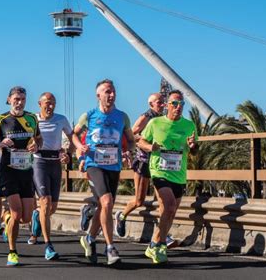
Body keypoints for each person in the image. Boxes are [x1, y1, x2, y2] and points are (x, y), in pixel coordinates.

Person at [73, 79, 135, 265]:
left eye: (113, 91)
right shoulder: (89, 115)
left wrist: (128, 151)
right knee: (107, 202)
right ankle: (110, 248)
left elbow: (131, 140)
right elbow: (73, 133)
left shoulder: (122, 117)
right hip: (94, 164)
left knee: (104, 207)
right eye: (107, 91)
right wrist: (80, 149)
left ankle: (89, 238)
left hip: (114, 166)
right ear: (98, 95)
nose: (111, 95)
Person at [138, 90, 198, 264]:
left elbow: (194, 152)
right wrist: (150, 148)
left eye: (181, 104)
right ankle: (161, 244)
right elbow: (141, 141)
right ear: (166, 105)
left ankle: (153, 243)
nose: (178, 107)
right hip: (159, 171)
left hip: (178, 175)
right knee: (169, 205)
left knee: (170, 212)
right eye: (174, 104)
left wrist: (192, 146)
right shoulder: (155, 123)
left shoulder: (189, 126)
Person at [0, 86, 42, 266]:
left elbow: (39, 139)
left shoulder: (32, 118)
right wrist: (0, 144)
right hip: (8, 170)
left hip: (26, 170)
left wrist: (36, 146)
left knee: (25, 217)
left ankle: (7, 218)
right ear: (9, 99)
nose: (19, 102)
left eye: (23, 99)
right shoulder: (0, 119)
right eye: (16, 99)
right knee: (17, 213)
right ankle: (12, 252)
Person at [27, 92, 73, 260]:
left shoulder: (61, 119)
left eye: (53, 103)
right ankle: (48, 246)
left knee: (51, 208)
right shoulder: (32, 120)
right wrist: (30, 146)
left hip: (55, 164)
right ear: (40, 103)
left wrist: (69, 154)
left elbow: (71, 137)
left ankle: (37, 216)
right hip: (39, 163)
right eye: (47, 103)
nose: (50, 106)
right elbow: (25, 140)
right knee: (45, 202)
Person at [114, 93, 166, 238]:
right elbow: (132, 135)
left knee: (162, 198)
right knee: (139, 200)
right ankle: (122, 216)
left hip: (158, 163)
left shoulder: (163, 119)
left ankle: (163, 233)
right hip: (143, 162)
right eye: (159, 102)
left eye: (163, 102)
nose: (162, 104)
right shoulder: (146, 117)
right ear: (151, 104)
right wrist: (146, 141)